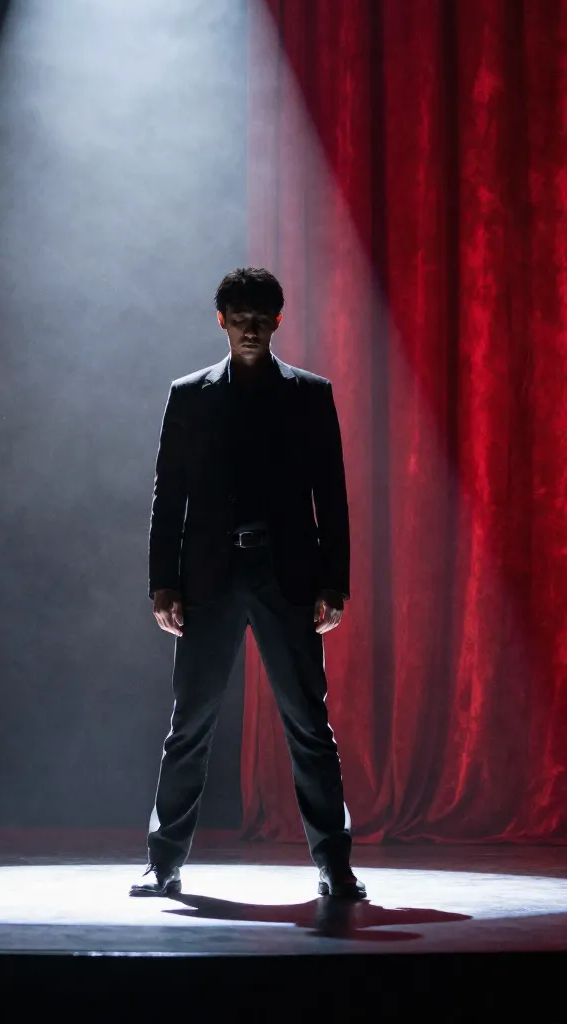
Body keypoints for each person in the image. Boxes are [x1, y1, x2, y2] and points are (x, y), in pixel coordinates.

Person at [132, 267, 366, 901]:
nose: (251, 329)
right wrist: (163, 582)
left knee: (309, 724)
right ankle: (163, 861)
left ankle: (335, 864)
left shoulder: (310, 394)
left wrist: (334, 582)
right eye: (240, 319)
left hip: (287, 576)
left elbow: (332, 495)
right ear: (223, 322)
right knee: (190, 723)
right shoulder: (189, 395)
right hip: (209, 578)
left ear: (277, 321)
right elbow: (168, 496)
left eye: (261, 319)